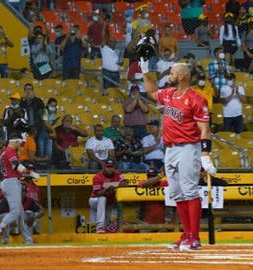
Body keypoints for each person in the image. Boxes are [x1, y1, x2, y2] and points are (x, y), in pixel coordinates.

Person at [140, 57, 217, 250]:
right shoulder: (169, 94)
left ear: (181, 76)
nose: (169, 76)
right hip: (170, 149)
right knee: (177, 194)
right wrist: (144, 72)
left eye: (172, 73)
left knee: (190, 191)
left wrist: (205, 155)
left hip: (188, 148)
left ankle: (195, 238)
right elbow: (150, 91)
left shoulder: (197, 98)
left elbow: (205, 129)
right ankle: (186, 235)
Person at [0, 135, 40, 245]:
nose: (20, 146)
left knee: (20, 212)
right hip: (11, 182)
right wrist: (30, 173)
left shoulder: (5, 152)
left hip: (8, 181)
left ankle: (27, 239)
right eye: (19, 143)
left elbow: (14, 167)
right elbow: (16, 166)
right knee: (15, 211)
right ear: (15, 141)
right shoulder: (10, 151)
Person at [89, 159, 127, 233]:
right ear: (104, 167)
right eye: (107, 166)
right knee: (102, 198)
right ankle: (99, 227)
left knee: (106, 224)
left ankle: (102, 235)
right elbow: (98, 193)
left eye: (111, 167)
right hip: (94, 200)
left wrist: (112, 185)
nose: (109, 168)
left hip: (108, 202)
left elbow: (125, 183)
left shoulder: (117, 174)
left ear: (114, 167)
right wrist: (106, 189)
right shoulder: (97, 176)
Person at [100, 22, 121, 91]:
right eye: (110, 41)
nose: (111, 42)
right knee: (108, 91)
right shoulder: (104, 48)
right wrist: (105, 25)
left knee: (116, 91)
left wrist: (120, 63)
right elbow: (102, 36)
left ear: (115, 43)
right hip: (107, 73)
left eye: (113, 41)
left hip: (116, 73)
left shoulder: (117, 51)